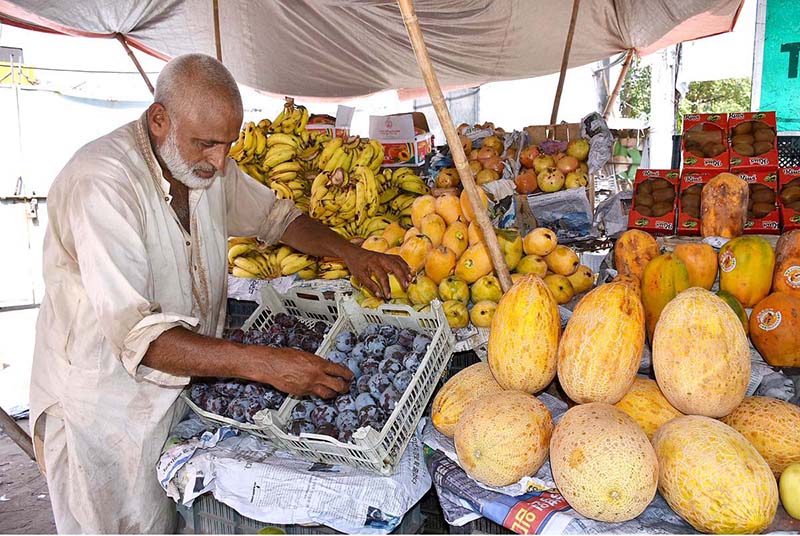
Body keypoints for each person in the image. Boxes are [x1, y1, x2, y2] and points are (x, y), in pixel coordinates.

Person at [30, 53, 411, 534]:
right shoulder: (103, 185)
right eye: (207, 144)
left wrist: (352, 254)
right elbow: (141, 338)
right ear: (159, 119)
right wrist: (267, 364)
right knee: (118, 523)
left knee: (173, 518)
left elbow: (279, 218)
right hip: (105, 408)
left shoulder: (201, 166)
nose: (221, 160)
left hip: (180, 386)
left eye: (228, 144)